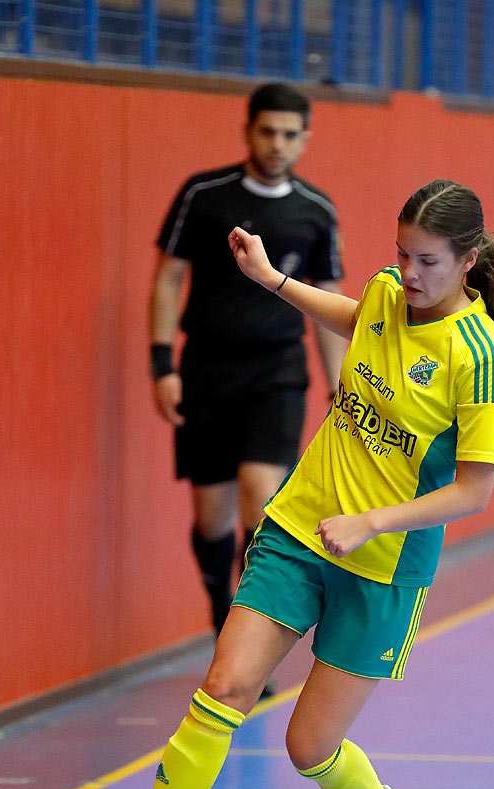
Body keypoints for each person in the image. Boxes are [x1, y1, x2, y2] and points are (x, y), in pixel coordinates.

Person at [86, 179, 494, 789]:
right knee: (225, 688)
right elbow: (359, 317)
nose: (409, 273)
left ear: (470, 261)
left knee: (309, 744)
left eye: (428, 261)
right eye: (401, 254)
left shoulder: (481, 358)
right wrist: (272, 281)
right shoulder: (389, 296)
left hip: (382, 566)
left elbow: (474, 492)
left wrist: (373, 522)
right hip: (301, 529)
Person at [150, 82, 346, 648]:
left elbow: (329, 300)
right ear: (248, 131)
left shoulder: (316, 211)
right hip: (207, 369)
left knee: (261, 501)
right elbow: (167, 277)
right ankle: (220, 608)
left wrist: (340, 388)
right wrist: (163, 365)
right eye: (267, 131)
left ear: (305, 139)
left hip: (278, 372)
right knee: (213, 517)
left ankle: (244, 638)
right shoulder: (204, 194)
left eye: (290, 134)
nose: (277, 144)